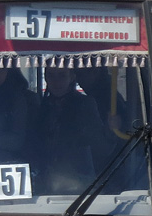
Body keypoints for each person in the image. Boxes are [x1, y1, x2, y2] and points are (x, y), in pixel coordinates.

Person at [34, 66, 108, 194]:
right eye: (51, 75)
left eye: (62, 75)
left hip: (80, 181)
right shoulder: (41, 106)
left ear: (72, 77)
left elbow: (98, 146)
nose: (56, 82)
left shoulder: (85, 104)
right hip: (45, 182)